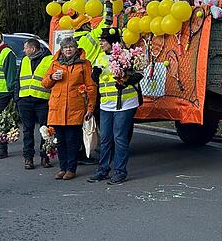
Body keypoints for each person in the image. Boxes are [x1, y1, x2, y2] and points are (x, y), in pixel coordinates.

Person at [88, 28, 141, 185]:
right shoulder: (100, 57)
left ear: (112, 42)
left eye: (103, 41)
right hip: (106, 103)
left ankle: (120, 171)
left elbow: (139, 74)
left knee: (119, 137)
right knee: (105, 138)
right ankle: (103, 169)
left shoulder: (126, 55)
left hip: (125, 103)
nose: (101, 43)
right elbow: (100, 76)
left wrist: (126, 81)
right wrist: (95, 73)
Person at [42, 37, 97, 180]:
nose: (68, 50)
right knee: (60, 140)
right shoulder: (55, 64)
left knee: (72, 140)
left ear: (76, 49)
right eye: (65, 47)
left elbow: (91, 87)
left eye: (71, 47)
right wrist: (53, 77)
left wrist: (90, 108)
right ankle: (63, 168)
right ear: (61, 49)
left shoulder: (84, 64)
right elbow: (45, 83)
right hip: (57, 108)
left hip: (75, 107)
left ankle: (71, 169)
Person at [17, 39, 54, 169]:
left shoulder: (49, 60)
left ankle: (45, 157)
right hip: (25, 100)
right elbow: (18, 79)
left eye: (25, 48)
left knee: (45, 131)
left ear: (33, 49)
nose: (24, 50)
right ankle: (28, 158)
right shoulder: (25, 60)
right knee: (27, 131)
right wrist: (17, 98)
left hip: (42, 100)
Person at [0, 29, 18, 160]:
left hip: (3, 93)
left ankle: (2, 149)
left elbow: (11, 76)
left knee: (0, 122)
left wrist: (12, 94)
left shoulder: (7, 52)